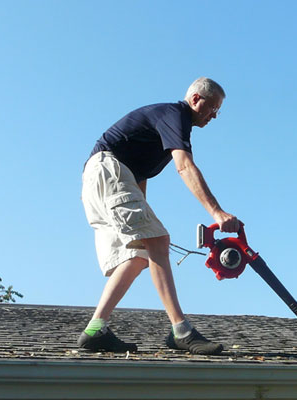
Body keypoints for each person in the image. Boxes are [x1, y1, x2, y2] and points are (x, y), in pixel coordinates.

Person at [78, 77, 240, 355]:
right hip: (107, 170)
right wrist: (217, 211)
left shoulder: (166, 123)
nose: (214, 116)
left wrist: (147, 224)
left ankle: (95, 331)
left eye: (218, 111)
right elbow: (184, 166)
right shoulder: (175, 115)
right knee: (157, 242)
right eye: (212, 108)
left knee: (139, 256)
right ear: (196, 99)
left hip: (98, 178)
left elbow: (137, 175)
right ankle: (182, 331)